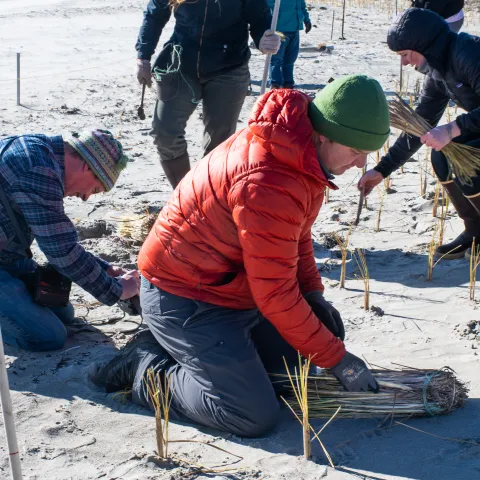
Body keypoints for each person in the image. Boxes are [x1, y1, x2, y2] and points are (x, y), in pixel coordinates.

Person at [90, 75, 390, 437]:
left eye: (367, 154)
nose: (360, 164)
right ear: (324, 133)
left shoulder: (298, 148)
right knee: (250, 414)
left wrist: (312, 293)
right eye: (355, 151)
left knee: (294, 371)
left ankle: (183, 350)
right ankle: (145, 365)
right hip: (186, 296)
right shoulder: (268, 178)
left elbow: (296, 236)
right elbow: (275, 293)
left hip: (231, 288)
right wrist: (338, 359)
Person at [0, 130, 140, 351]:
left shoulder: (44, 156)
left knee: (62, 311)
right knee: (47, 337)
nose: (85, 197)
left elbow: (58, 238)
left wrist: (106, 269)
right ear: (88, 166)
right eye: (95, 189)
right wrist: (117, 291)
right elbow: (61, 251)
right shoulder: (37, 168)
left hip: (8, 256)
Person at [359, 8, 480, 261]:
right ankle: (475, 230)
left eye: (404, 54)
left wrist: (452, 128)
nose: (403, 63)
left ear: (424, 44)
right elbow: (419, 127)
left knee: (473, 167)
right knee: (442, 157)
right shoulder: (438, 71)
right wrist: (382, 170)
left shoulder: (467, 52)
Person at [135, 0, 281, 189]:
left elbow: (260, 18)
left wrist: (264, 38)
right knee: (165, 132)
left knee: (218, 144)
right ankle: (185, 193)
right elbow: (155, 14)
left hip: (229, 68)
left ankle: (206, 195)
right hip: (181, 64)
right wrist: (143, 56)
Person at [267, 0, 312, 89]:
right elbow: (267, 4)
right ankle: (275, 84)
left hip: (294, 29)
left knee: (290, 58)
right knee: (276, 59)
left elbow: (301, 5)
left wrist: (307, 20)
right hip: (279, 29)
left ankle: (288, 83)